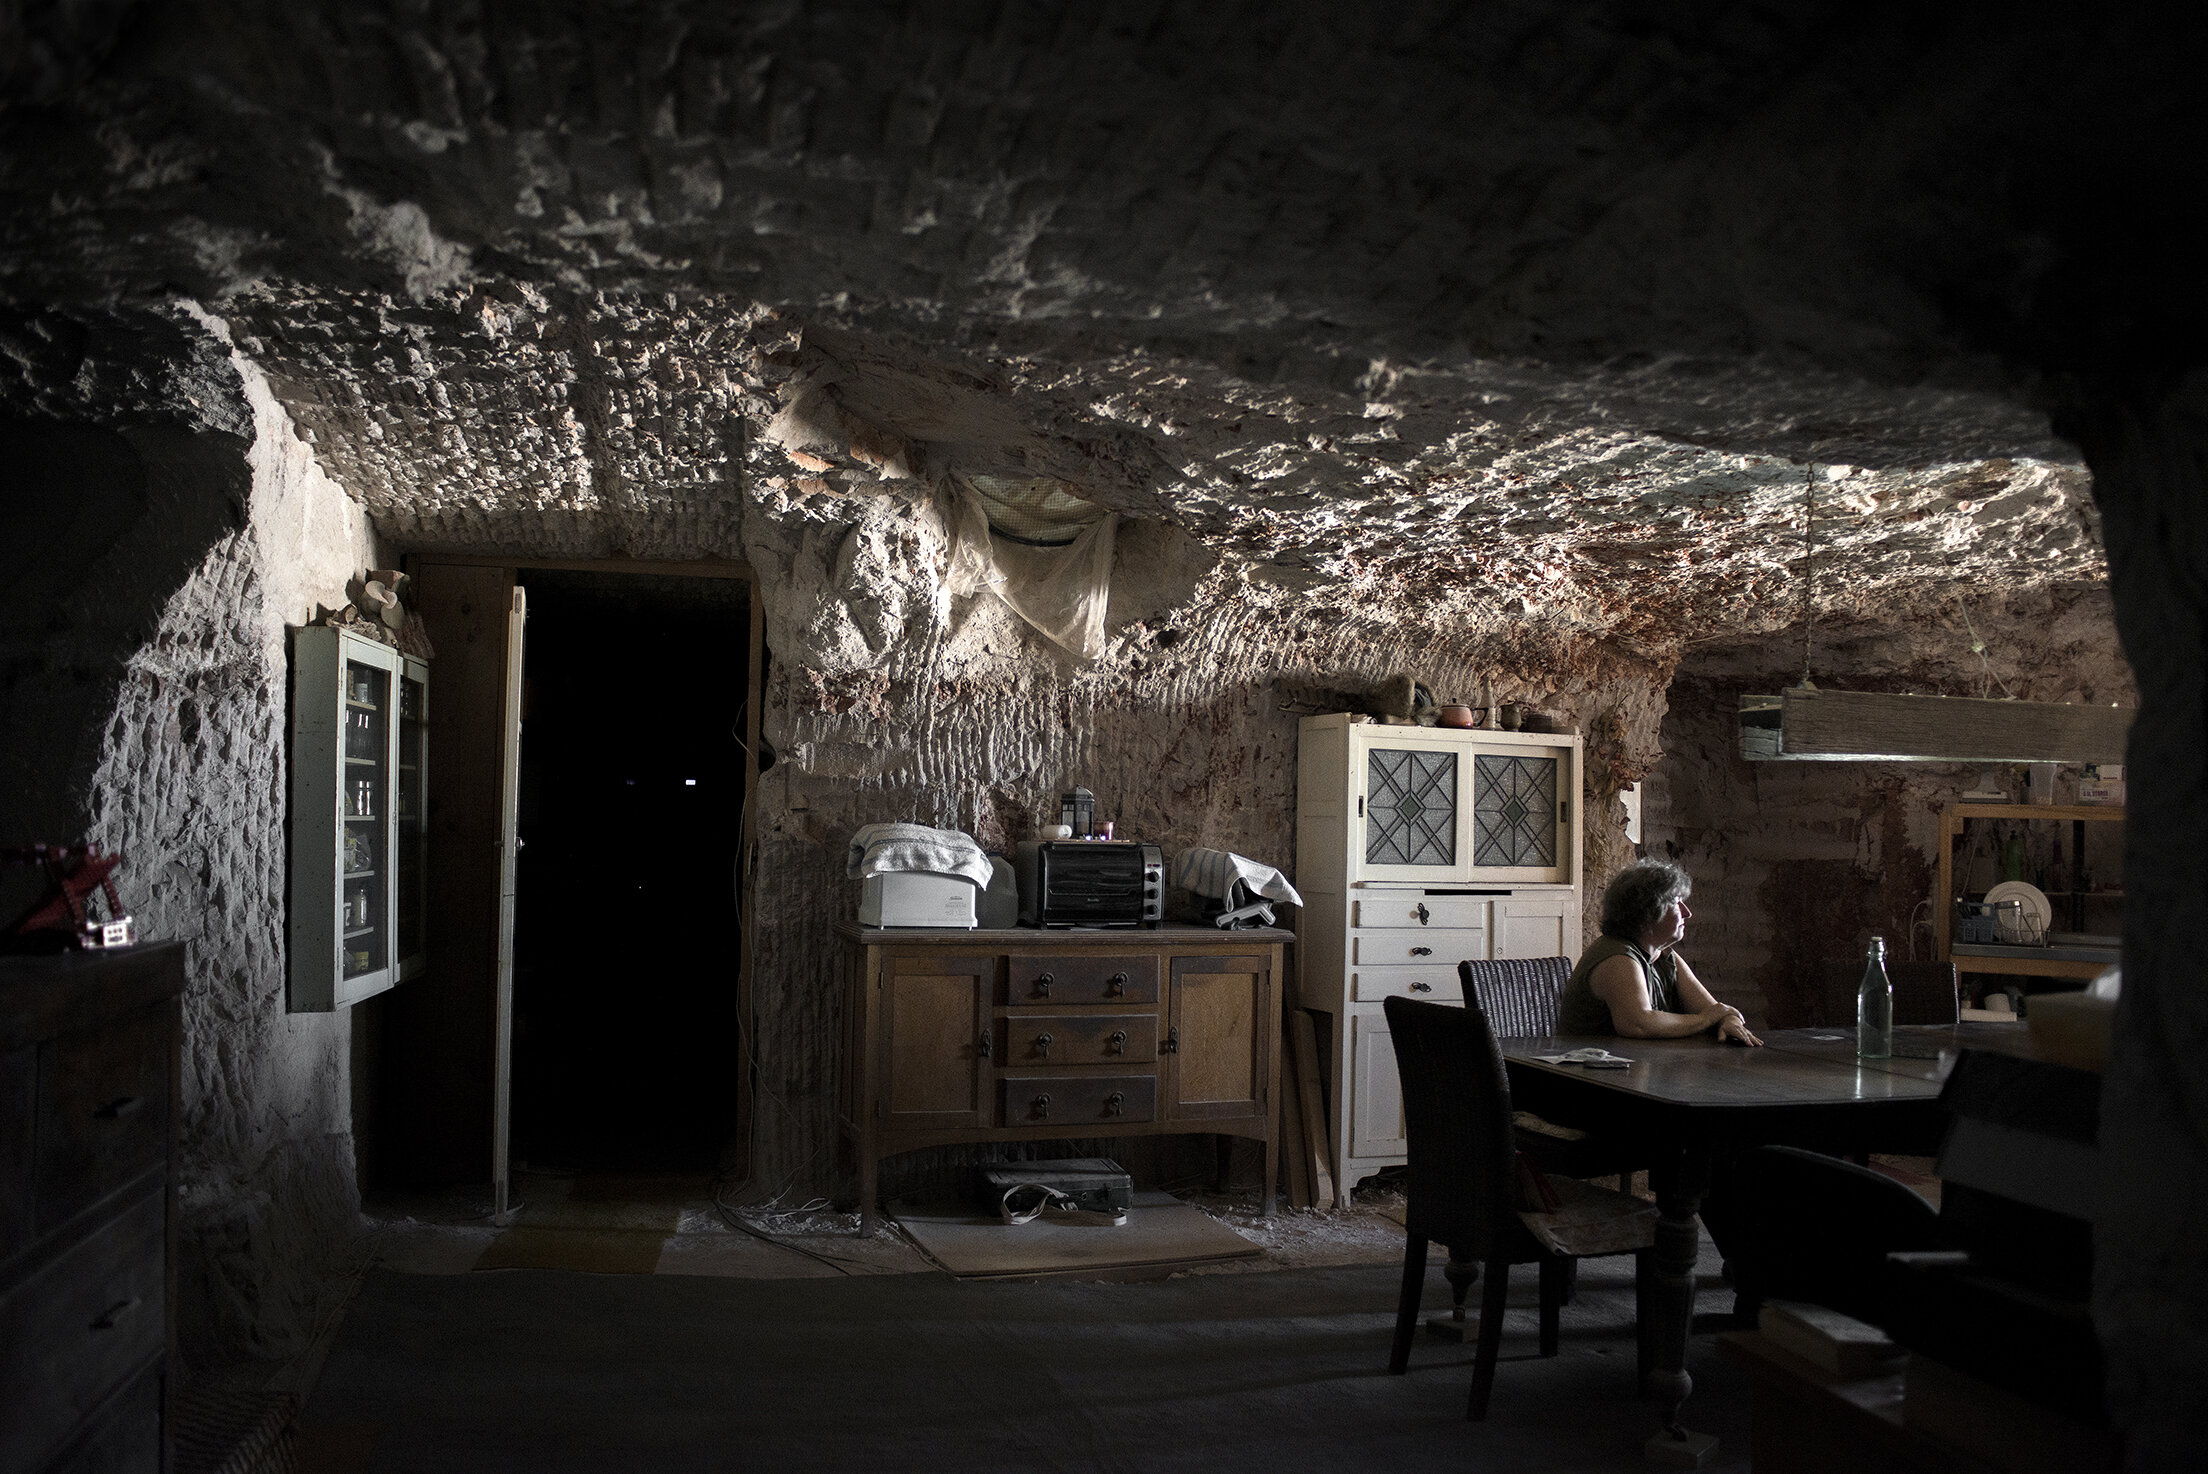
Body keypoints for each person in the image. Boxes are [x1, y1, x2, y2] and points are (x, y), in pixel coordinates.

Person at [1559, 858, 1762, 1045]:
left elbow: (1714, 1010)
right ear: (1648, 912)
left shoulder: (1663, 956)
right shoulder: (1617, 958)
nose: (1687, 912)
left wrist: (1728, 1020)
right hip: (1589, 1076)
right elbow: (1638, 1024)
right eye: (1675, 903)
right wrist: (1707, 1019)